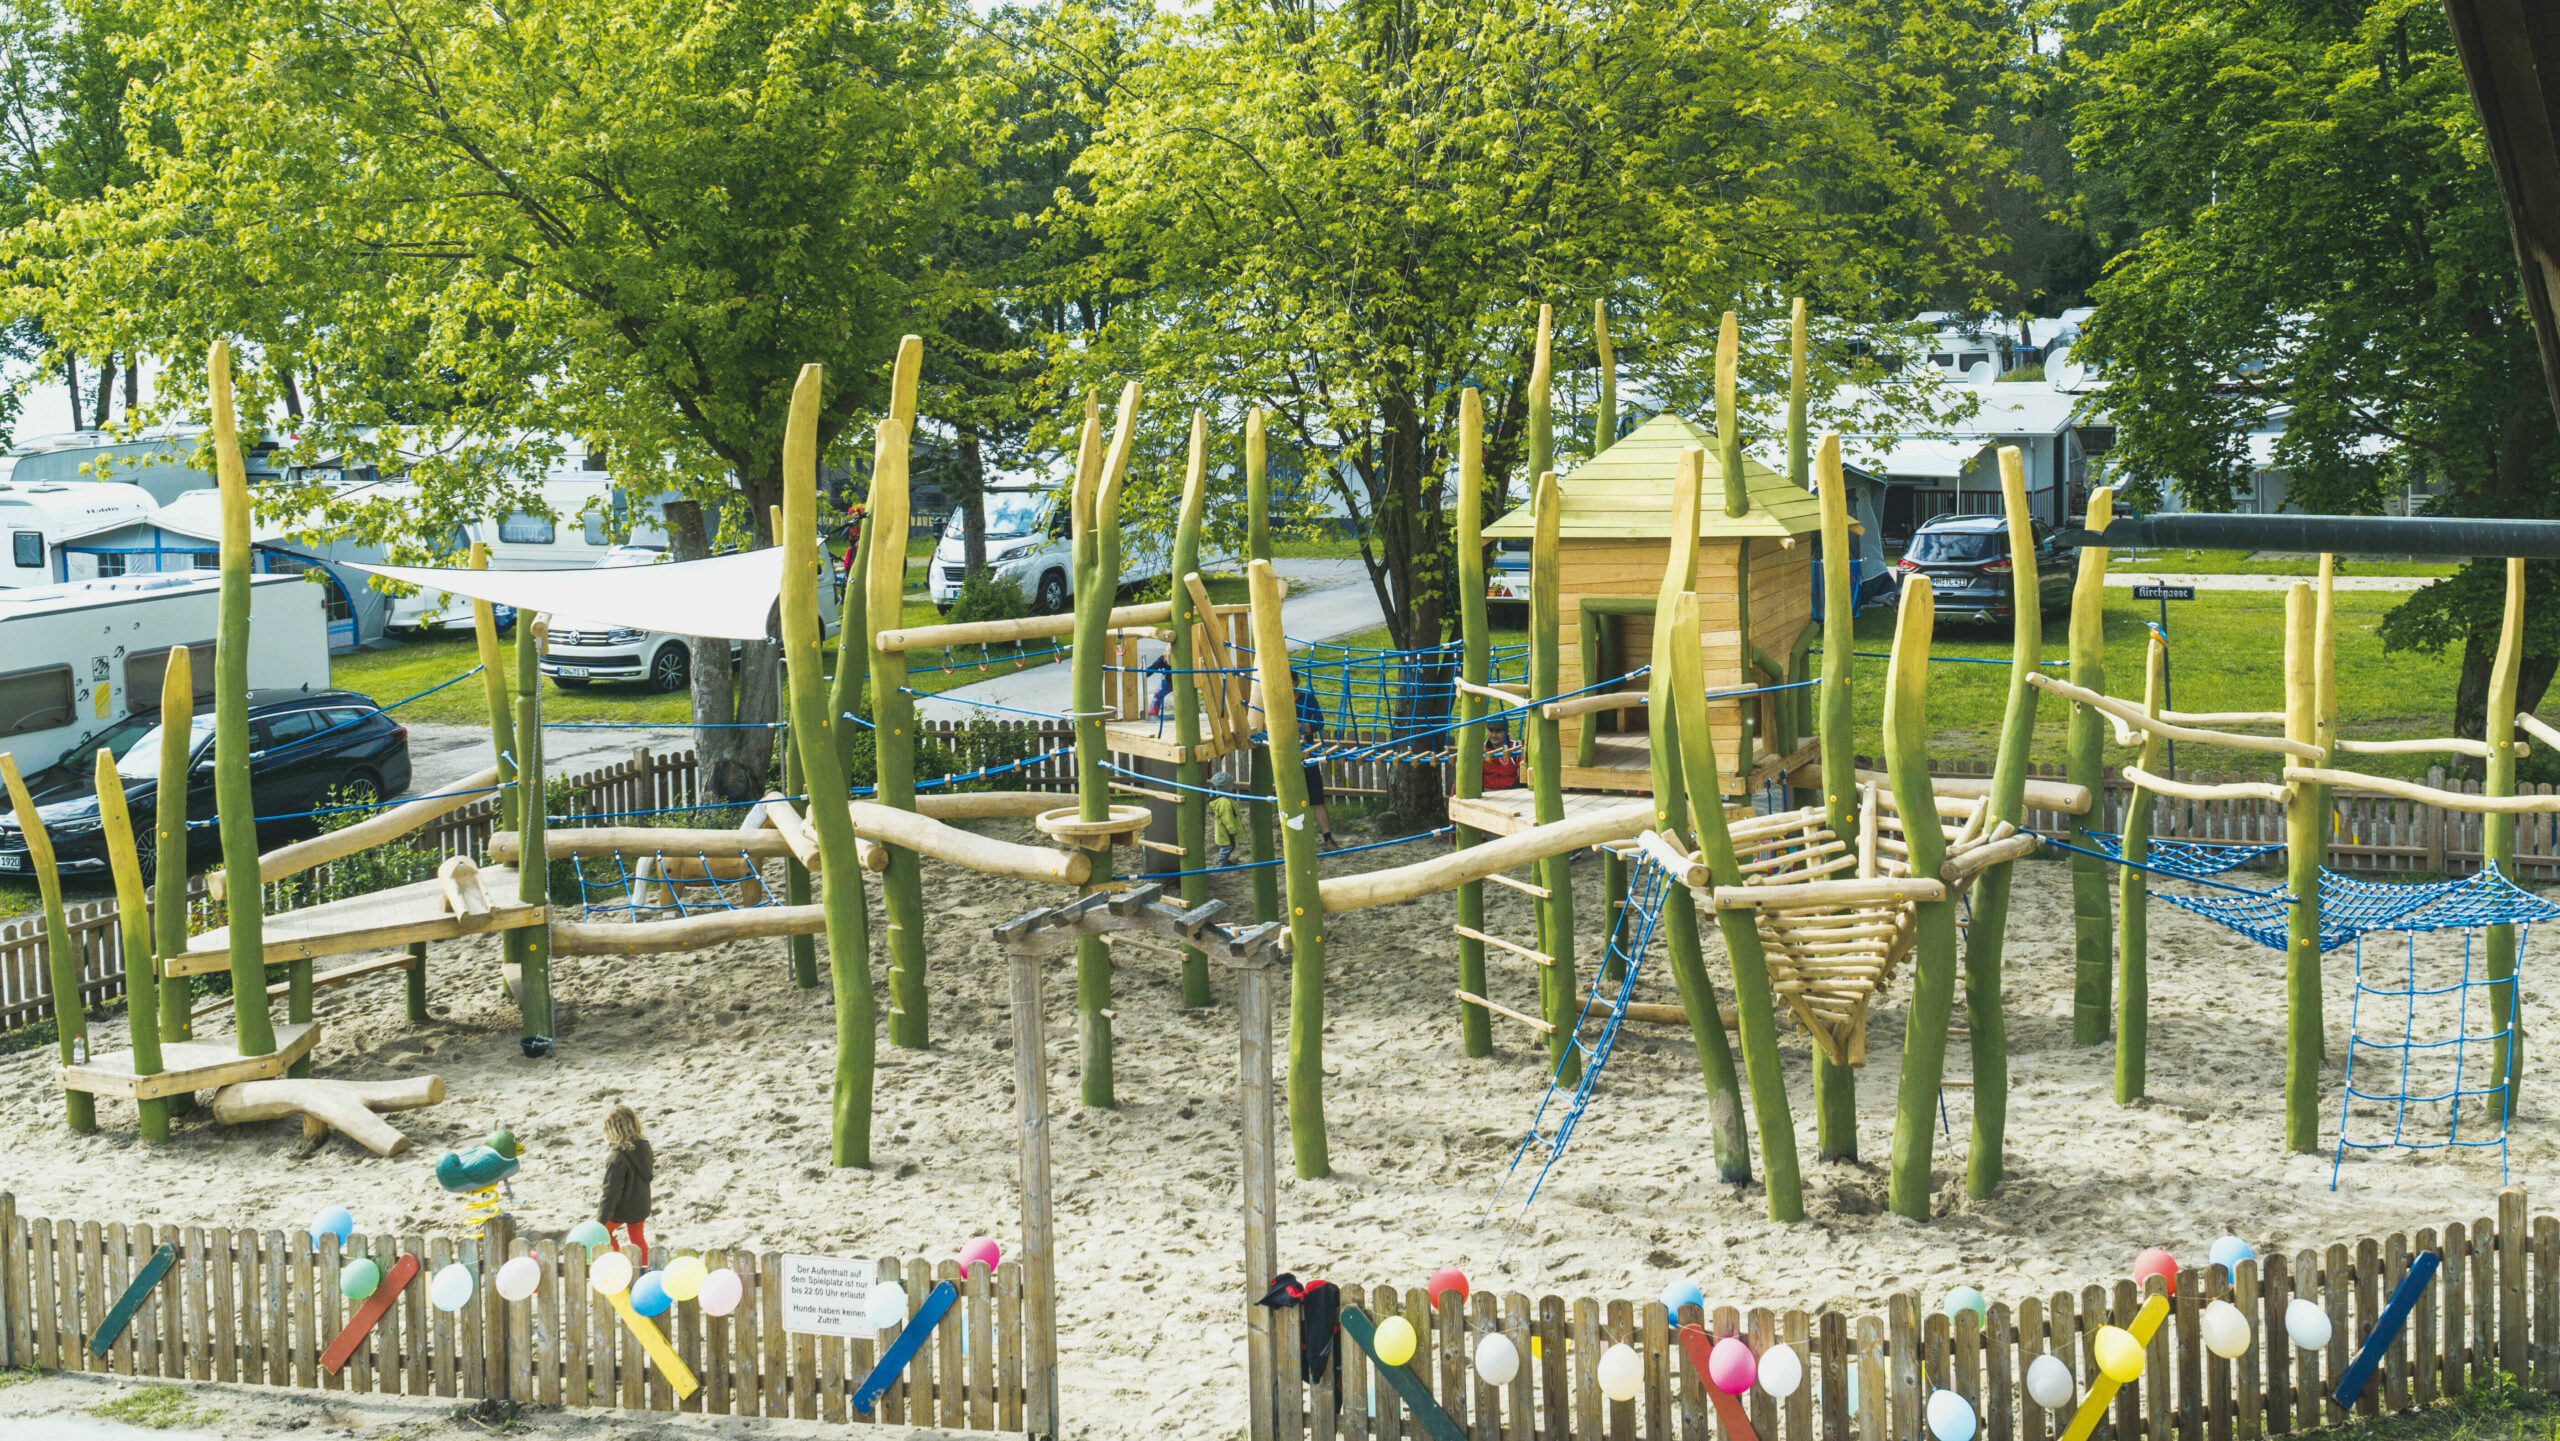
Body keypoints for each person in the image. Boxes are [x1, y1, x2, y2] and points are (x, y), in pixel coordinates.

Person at [597, 1103, 654, 1267]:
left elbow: (610, 1193)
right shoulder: (644, 1147)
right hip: (641, 1203)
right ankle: (645, 1268)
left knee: (605, 1233)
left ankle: (618, 1263)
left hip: (623, 1207)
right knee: (637, 1237)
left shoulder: (616, 1158)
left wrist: (599, 1222)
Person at [1288, 666, 1337, 851]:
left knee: (1316, 798)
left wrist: (1294, 725)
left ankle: (1328, 839)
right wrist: (1301, 726)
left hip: (1308, 753)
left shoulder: (1307, 699)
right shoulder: (1279, 700)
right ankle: (1297, 840)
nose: (1287, 685)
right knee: (1292, 799)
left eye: (1290, 682)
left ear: (1296, 682)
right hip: (1287, 755)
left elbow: (1317, 723)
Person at [1210, 776, 1247, 867]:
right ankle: (1222, 862)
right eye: (1231, 785)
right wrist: (1231, 829)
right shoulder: (1224, 802)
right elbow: (1227, 817)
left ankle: (1225, 860)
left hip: (1227, 829)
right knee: (1227, 846)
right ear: (1225, 787)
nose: (1233, 787)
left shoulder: (1226, 799)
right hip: (1226, 830)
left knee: (1231, 845)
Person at [1481, 718, 1520, 791]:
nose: (1493, 735)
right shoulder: (1482, 748)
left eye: (1498, 732)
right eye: (1491, 731)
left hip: (1511, 792)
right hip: (1486, 792)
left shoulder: (1515, 748)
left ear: (1507, 732)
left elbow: (1522, 775)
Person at [1145, 653, 1173, 719]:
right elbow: (1152, 668)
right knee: (1158, 694)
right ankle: (1153, 714)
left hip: (1182, 679)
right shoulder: (1162, 659)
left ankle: (1196, 711)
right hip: (1169, 681)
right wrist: (1144, 670)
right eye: (1168, 660)